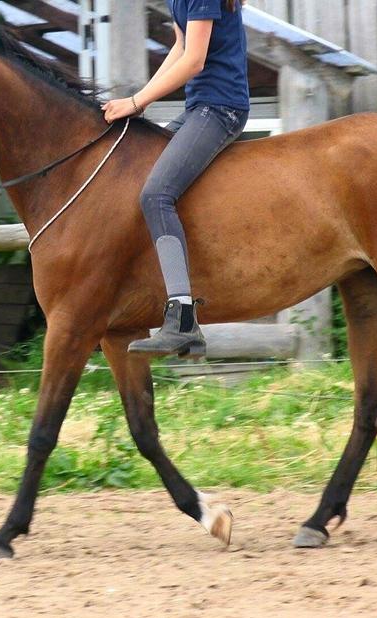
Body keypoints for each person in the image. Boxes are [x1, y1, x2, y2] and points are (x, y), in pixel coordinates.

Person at [102, 0, 249, 358]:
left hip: (221, 108)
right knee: (141, 175)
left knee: (156, 195)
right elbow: (180, 48)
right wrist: (142, 100)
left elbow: (194, 60)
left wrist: (136, 102)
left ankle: (182, 318)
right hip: (197, 108)